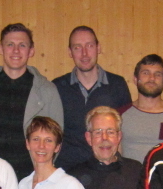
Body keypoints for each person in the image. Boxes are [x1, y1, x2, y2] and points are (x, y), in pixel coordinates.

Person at [0, 23, 64, 180]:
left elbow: (56, 138)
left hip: (30, 179)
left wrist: (41, 176)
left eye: (22, 45)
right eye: (10, 45)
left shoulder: (47, 91)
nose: (16, 50)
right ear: (0, 48)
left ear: (31, 51)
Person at [52, 26, 131, 170]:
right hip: (67, 170)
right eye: (77, 47)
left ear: (98, 48)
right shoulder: (57, 87)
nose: (84, 53)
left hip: (105, 170)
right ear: (70, 52)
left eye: (89, 46)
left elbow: (123, 132)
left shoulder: (117, 85)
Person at [119, 55, 163, 164]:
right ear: (135, 80)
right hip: (132, 174)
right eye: (146, 73)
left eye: (158, 74)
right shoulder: (119, 115)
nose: (152, 78)